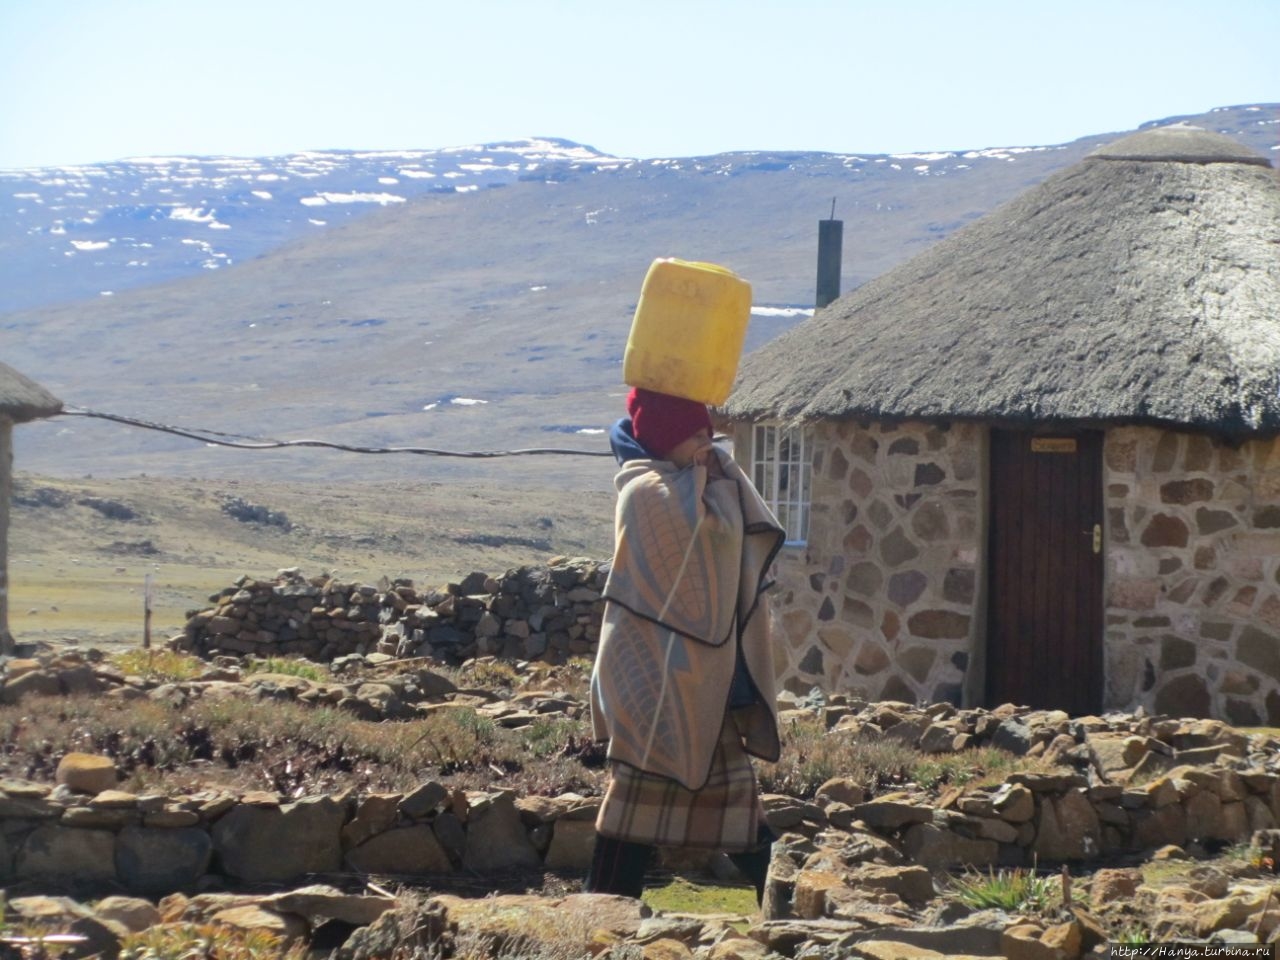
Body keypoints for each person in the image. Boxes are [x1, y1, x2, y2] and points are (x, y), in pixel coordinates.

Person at [585, 387, 785, 903]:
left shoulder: (694, 482)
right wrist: (716, 478)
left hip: (701, 680)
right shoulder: (645, 493)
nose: (707, 443)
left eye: (708, 432)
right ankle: (595, 924)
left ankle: (791, 908)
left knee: (740, 814)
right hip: (651, 686)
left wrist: (711, 471)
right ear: (667, 440)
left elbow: (726, 531)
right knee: (626, 818)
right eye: (695, 434)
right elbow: (707, 532)